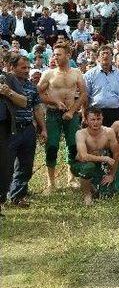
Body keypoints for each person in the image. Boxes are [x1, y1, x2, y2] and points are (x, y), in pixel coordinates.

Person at [37, 42, 87, 193]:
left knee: (72, 146)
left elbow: (83, 94)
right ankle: (51, 183)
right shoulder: (48, 74)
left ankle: (71, 178)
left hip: (71, 115)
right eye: (54, 54)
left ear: (68, 55)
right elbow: (37, 93)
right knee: (51, 146)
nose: (55, 57)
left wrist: (72, 111)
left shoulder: (76, 73)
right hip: (53, 114)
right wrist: (54, 101)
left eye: (58, 54)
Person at [5, 55, 45, 207]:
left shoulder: (31, 86)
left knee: (25, 164)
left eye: (28, 67)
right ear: (11, 67)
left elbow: (37, 108)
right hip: (9, 130)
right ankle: (4, 194)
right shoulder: (4, 84)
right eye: (23, 68)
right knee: (6, 164)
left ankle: (18, 196)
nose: (27, 71)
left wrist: (43, 128)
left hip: (28, 129)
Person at [72, 108, 119, 205]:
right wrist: (104, 158)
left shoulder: (109, 132)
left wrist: (111, 175)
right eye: (92, 119)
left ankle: (92, 184)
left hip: (99, 164)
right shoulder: (81, 133)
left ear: (102, 119)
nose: (96, 122)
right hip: (81, 164)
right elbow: (83, 156)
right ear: (86, 120)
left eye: (98, 119)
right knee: (88, 167)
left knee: (107, 193)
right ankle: (87, 194)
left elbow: (116, 153)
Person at [0, 58, 28, 214]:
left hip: (4, 128)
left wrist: (8, 92)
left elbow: (24, 102)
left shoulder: (8, 78)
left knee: (4, 166)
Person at [84, 46, 119, 126]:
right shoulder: (89, 75)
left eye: (108, 53)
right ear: (98, 57)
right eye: (103, 53)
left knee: (114, 137)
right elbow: (85, 96)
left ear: (112, 57)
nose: (105, 55)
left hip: (115, 112)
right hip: (96, 113)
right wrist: (84, 115)